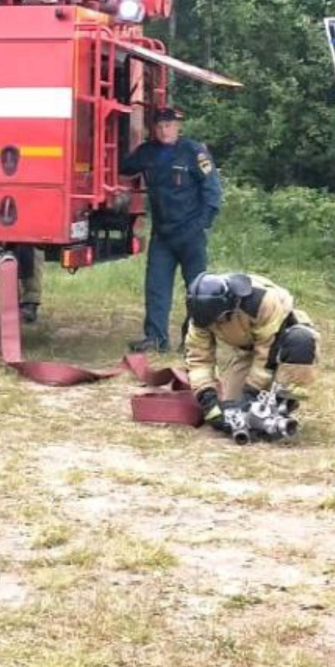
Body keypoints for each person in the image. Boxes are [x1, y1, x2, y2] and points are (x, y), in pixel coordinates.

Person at [117, 107, 222, 351]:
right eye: (160, 126)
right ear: (154, 128)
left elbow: (213, 194)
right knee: (156, 288)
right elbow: (123, 166)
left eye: (169, 125)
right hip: (163, 234)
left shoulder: (195, 153)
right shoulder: (148, 153)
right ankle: (155, 339)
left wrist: (201, 225)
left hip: (191, 233)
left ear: (178, 127)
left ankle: (193, 341)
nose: (165, 130)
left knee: (197, 290)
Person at [183, 272, 319, 427]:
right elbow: (198, 359)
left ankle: (283, 405)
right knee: (232, 407)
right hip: (249, 348)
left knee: (300, 340)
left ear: (230, 306)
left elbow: (268, 352)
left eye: (218, 320)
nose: (214, 325)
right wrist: (208, 400)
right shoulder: (200, 316)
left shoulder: (261, 301)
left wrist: (251, 393)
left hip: (282, 340)